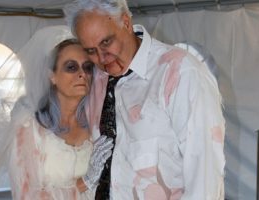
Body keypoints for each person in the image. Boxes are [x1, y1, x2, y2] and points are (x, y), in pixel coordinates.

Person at [64, 1, 226, 199]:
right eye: (91, 50)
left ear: (125, 22)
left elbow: (205, 175)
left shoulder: (181, 72)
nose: (102, 58)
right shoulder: (97, 79)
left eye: (106, 42)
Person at [0, 26, 113, 200]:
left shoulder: (97, 121)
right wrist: (86, 181)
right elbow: (26, 195)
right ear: (52, 76)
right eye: (71, 67)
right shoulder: (29, 128)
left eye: (87, 67)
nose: (82, 74)